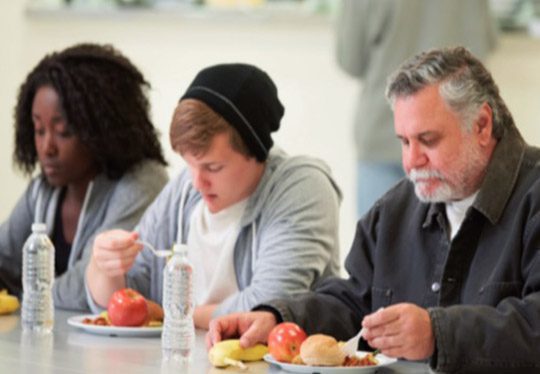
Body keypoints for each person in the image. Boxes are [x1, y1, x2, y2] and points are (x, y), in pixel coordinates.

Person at [207, 47, 540, 372]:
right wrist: (278, 319)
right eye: (405, 142)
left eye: (428, 140)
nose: (411, 162)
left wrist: (438, 334)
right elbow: (355, 302)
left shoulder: (533, 196)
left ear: (482, 125)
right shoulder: (395, 209)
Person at [86, 63, 342, 329]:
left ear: (257, 152)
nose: (197, 182)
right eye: (189, 165)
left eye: (213, 167)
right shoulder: (186, 189)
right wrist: (104, 265)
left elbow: (268, 305)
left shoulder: (303, 188)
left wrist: (167, 314)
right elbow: (128, 298)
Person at [0, 43, 169, 311]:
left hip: (121, 351)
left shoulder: (142, 184)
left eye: (63, 131)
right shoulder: (44, 191)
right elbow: (4, 257)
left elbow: (85, 288)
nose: (47, 147)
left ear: (101, 130)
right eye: (39, 130)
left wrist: (25, 301)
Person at [337, 0, 498, 217]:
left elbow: (349, 60)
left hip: (384, 136)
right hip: (454, 144)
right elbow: (484, 43)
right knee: (455, 245)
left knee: (381, 245)